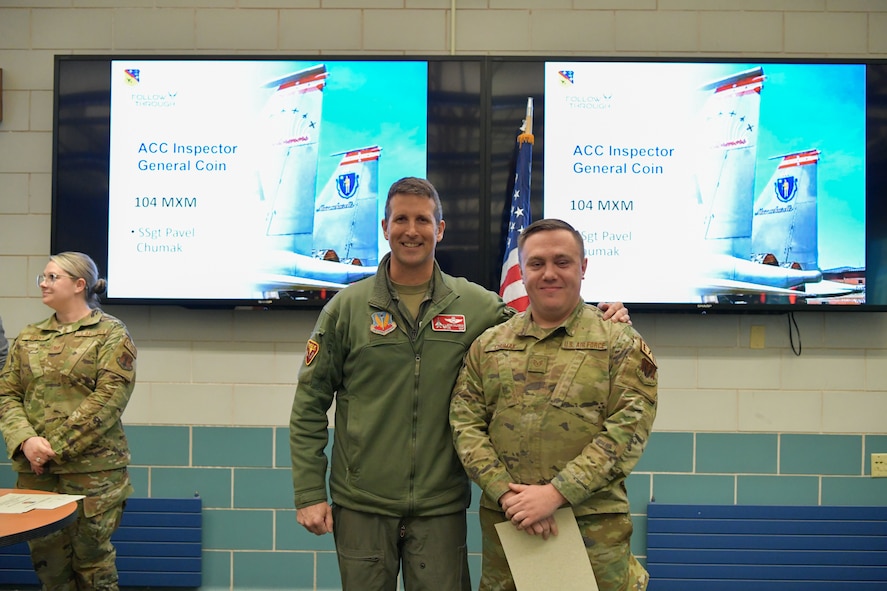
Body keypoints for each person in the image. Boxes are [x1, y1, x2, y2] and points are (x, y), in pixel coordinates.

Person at [289, 177, 629, 591]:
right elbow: (309, 403)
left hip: (440, 507)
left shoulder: (476, 304)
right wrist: (309, 492)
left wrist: (601, 314)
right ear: (384, 227)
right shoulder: (347, 308)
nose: (411, 230)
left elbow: (542, 316)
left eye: (423, 220)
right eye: (400, 219)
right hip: (362, 505)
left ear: (440, 229)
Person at [449, 218, 658, 591]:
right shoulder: (489, 345)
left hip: (592, 534)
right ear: (522, 270)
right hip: (509, 532)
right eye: (537, 263)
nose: (549, 274)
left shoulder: (618, 342)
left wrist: (554, 495)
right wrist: (506, 494)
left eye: (562, 262)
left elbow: (627, 432)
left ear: (583, 268)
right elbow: (465, 425)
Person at [0, 252, 137, 591]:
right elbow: (7, 394)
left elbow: (108, 399)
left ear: (79, 285)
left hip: (92, 476)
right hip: (38, 475)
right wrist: (27, 441)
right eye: (42, 278)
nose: (43, 284)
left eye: (52, 277)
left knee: (93, 569)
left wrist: (52, 447)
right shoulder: (29, 336)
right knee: (50, 571)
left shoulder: (110, 333)